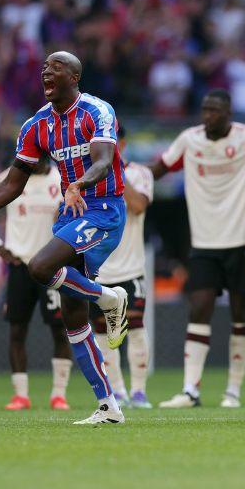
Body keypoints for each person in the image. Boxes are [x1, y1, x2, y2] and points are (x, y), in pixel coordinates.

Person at [0, 51, 130, 425]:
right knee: (72, 316)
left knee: (39, 266)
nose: (45, 72)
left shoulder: (97, 111)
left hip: (104, 208)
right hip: (71, 212)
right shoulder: (36, 125)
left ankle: (110, 299)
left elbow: (103, 160)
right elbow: (12, 184)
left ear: (73, 76)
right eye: (43, 69)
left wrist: (79, 184)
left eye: (54, 67)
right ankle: (108, 406)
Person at [153, 89, 245, 409]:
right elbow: (161, 167)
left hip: (240, 243)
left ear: (229, 113)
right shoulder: (189, 140)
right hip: (204, 244)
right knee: (199, 307)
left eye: (215, 110)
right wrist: (129, 178)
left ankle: (233, 391)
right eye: (205, 109)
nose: (208, 115)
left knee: (239, 314)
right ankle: (190, 389)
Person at [0, 154, 74, 411]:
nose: (36, 160)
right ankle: (21, 395)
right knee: (17, 330)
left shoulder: (62, 178)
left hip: (51, 264)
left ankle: (58, 395)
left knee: (60, 330)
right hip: (19, 266)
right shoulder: (13, 177)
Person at [92, 126, 155, 409]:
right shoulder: (88, 175)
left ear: (123, 143)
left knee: (137, 328)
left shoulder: (140, 173)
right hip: (98, 269)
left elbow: (138, 205)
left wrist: (114, 168)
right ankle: (117, 391)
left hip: (131, 268)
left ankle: (139, 391)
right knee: (103, 332)